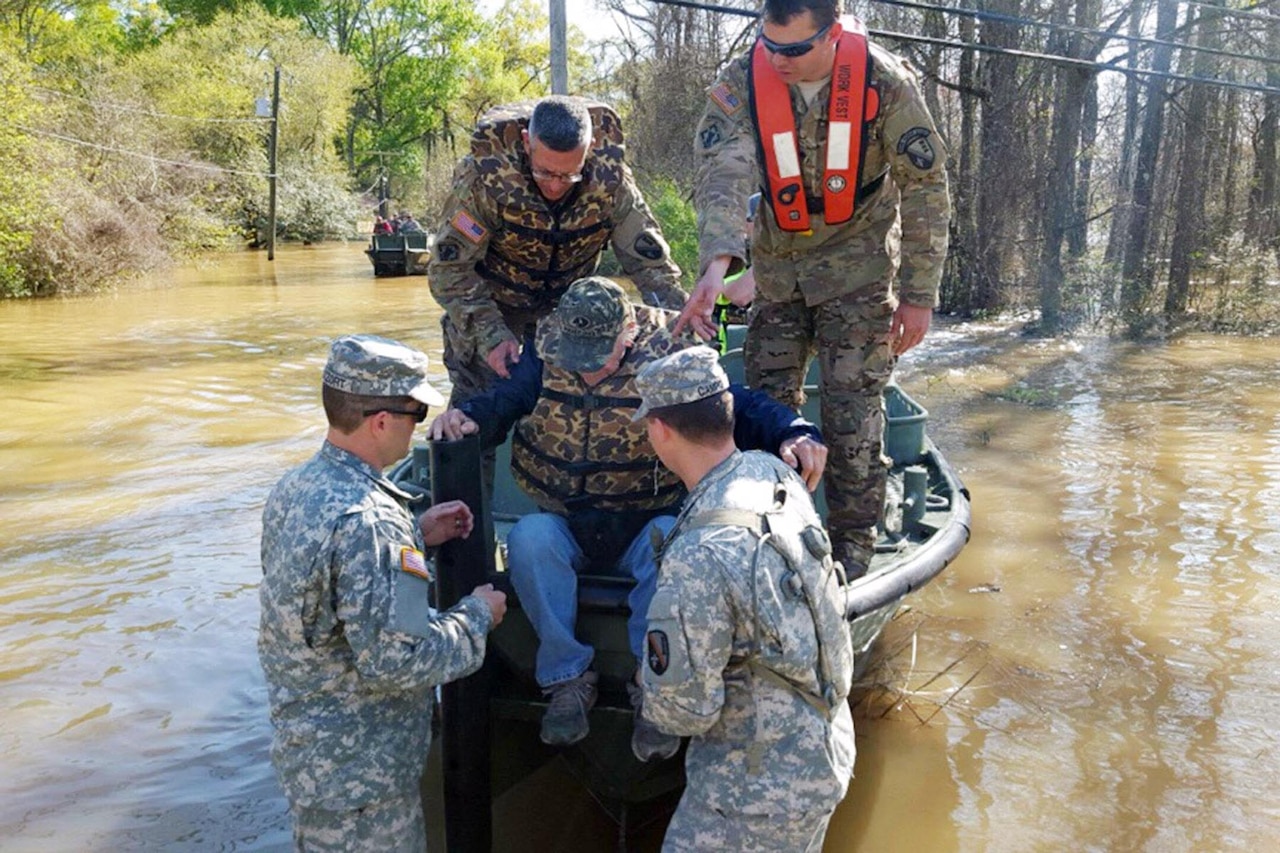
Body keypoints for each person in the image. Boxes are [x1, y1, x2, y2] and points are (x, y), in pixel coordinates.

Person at [428, 276, 827, 759]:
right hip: (565, 517)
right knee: (530, 540)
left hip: (645, 517)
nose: (589, 371)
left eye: (601, 356)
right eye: (580, 357)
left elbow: (735, 405)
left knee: (672, 545)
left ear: (628, 335)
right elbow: (502, 402)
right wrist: (466, 416)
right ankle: (566, 679)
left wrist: (794, 430)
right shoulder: (546, 351)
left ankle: (649, 682)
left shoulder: (666, 353)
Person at [676, 0, 951, 577]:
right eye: (769, 45)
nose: (779, 61)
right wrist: (716, 264)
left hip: (859, 269)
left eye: (796, 50)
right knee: (767, 411)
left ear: (833, 33)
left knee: (852, 415)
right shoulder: (744, 78)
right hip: (779, 269)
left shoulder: (884, 81)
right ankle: (766, 540)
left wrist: (919, 296)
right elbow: (723, 169)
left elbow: (924, 187)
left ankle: (851, 553)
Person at [258, 334, 507, 851]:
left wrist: (416, 534)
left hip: (312, 759)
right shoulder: (372, 522)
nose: (419, 425)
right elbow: (400, 662)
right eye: (415, 413)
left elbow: (329, 589)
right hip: (364, 778)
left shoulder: (296, 488)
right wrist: (477, 615)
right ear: (380, 421)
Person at [635, 346, 856, 852]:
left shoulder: (699, 553)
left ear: (660, 430)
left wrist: (649, 688)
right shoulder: (772, 474)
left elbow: (684, 712)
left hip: (752, 790)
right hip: (823, 747)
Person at [429, 94, 710, 411]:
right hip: (490, 310)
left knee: (565, 418)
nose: (554, 186)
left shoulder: (612, 183)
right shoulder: (481, 181)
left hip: (570, 318)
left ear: (589, 149)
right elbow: (449, 271)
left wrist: (681, 324)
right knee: (476, 417)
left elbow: (651, 267)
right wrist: (492, 336)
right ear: (526, 142)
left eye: (568, 175)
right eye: (544, 172)